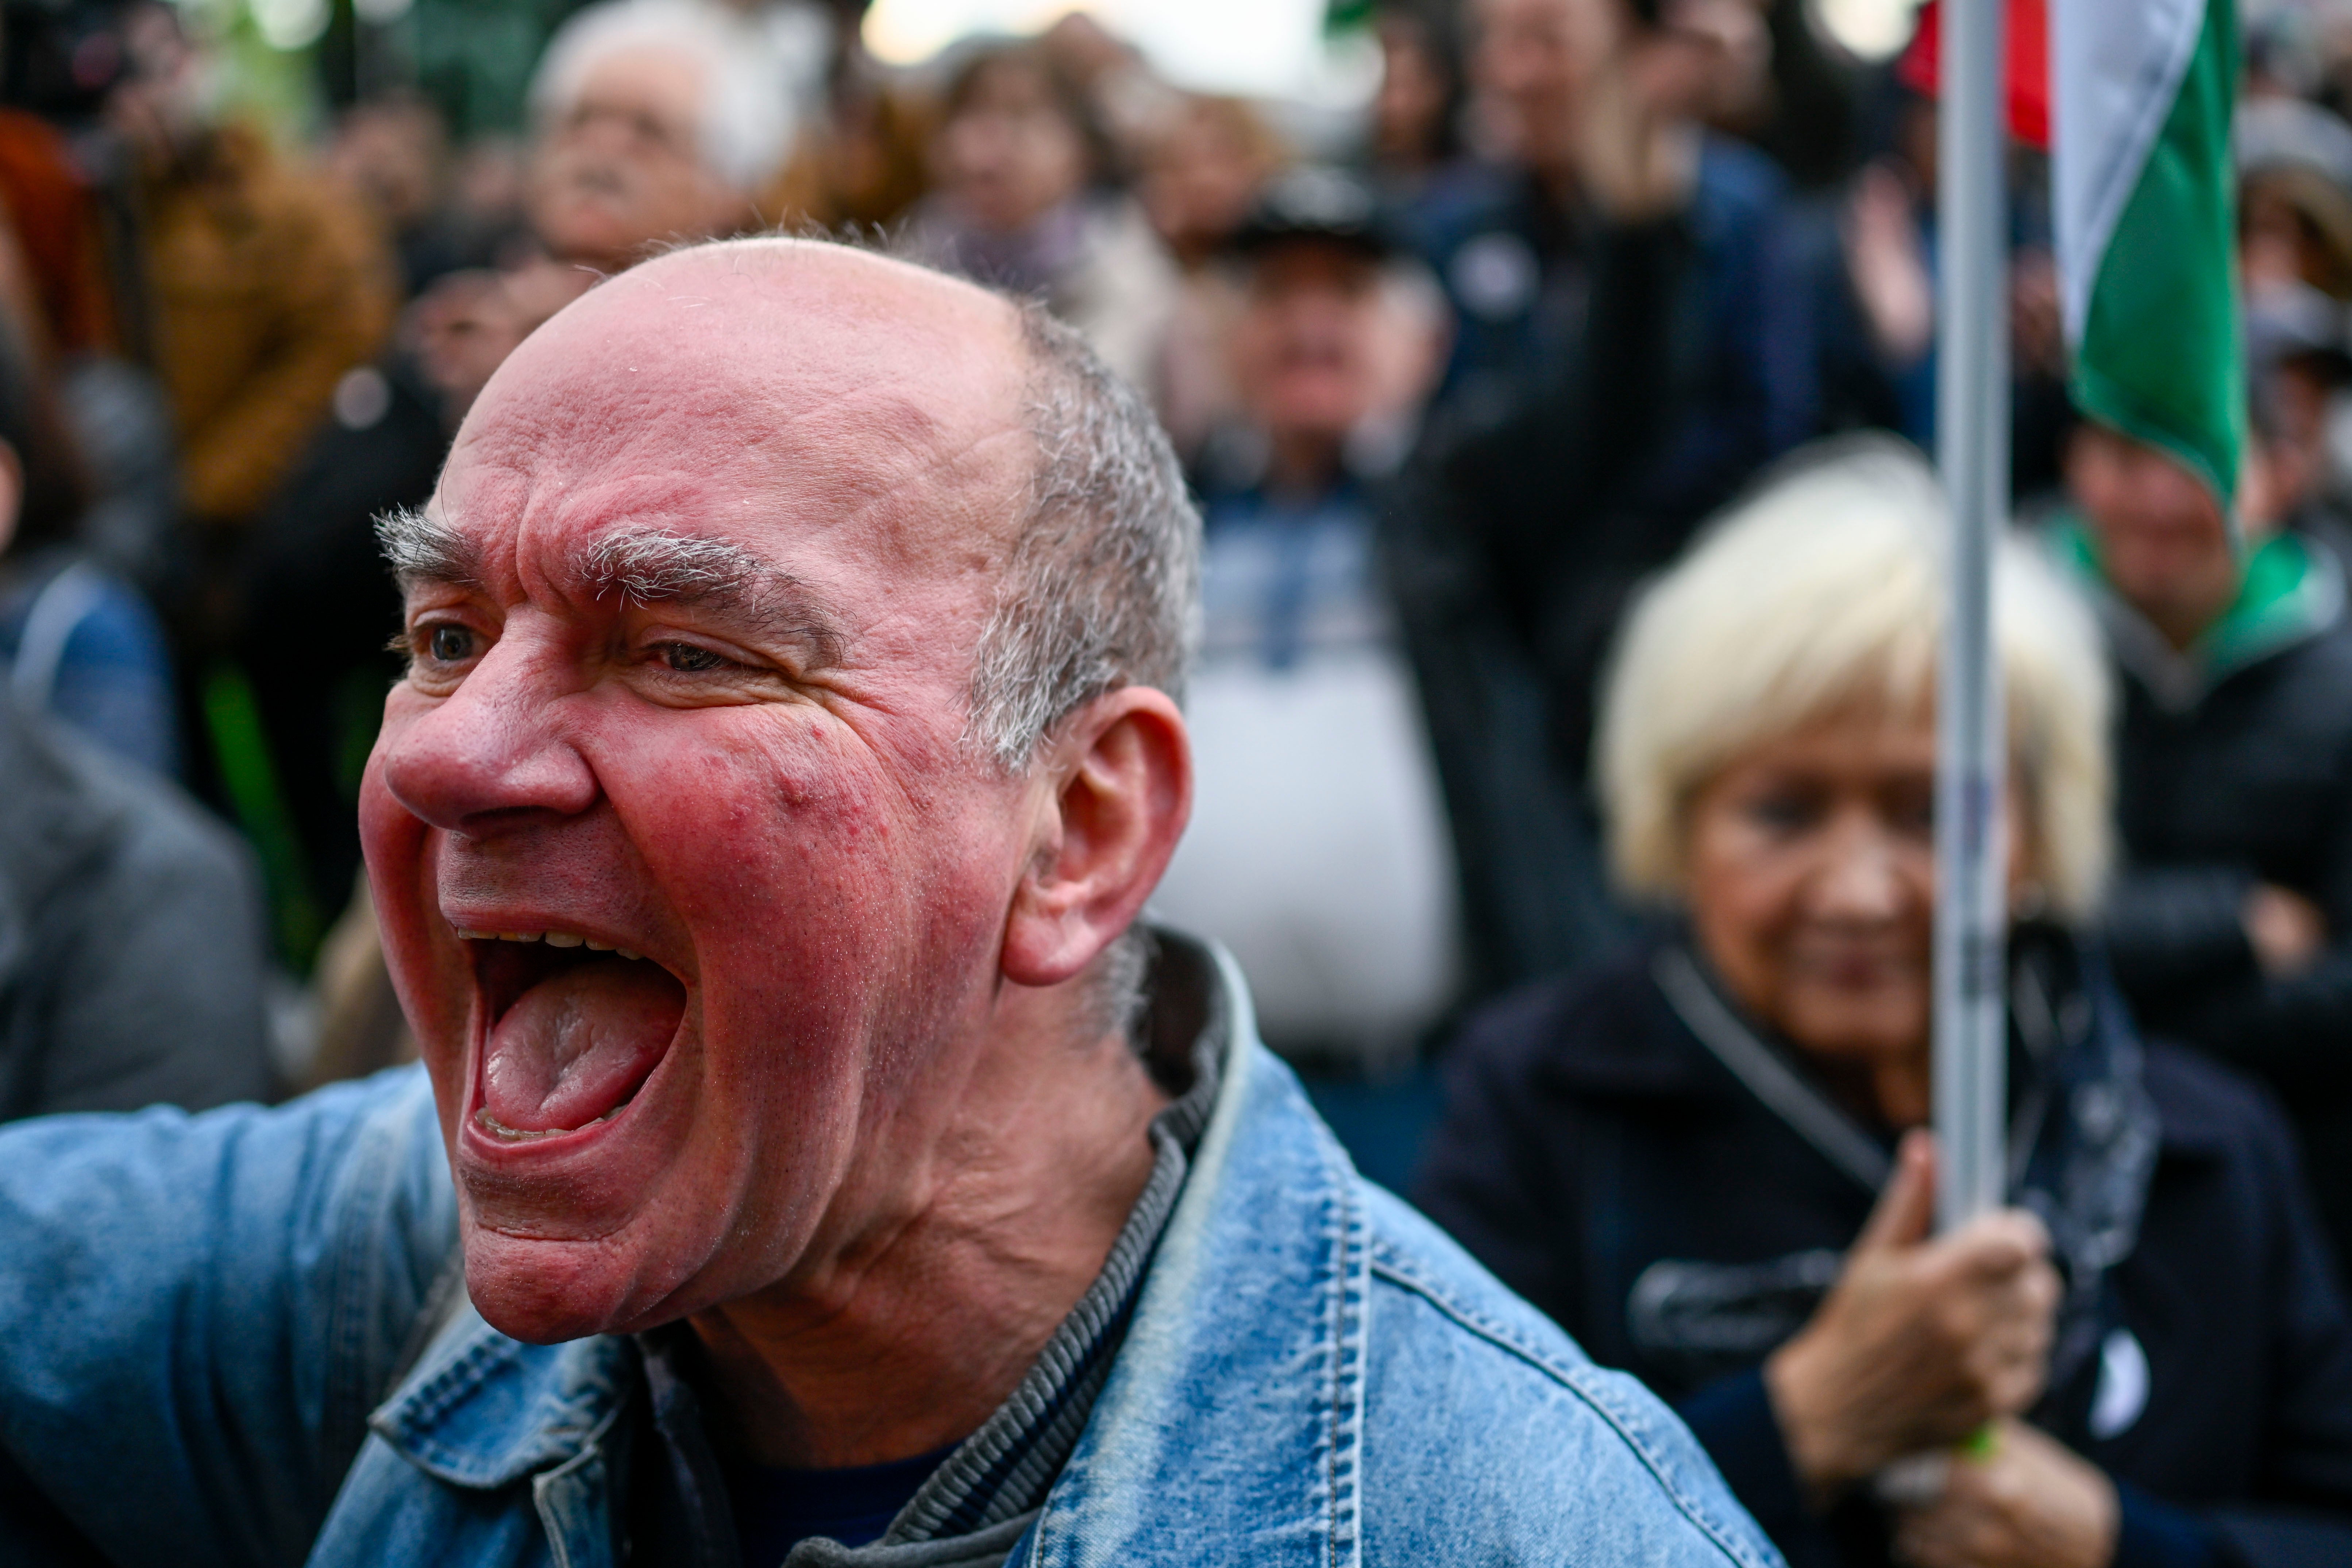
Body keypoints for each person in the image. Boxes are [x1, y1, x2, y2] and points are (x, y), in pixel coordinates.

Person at [0, 237, 1780, 1568]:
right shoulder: (379, 1262)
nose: (458, 753)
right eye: (447, 635)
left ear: (1076, 826)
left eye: (682, 648)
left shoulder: (1517, 1523)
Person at [1418, 440, 2352, 1568]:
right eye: (1783, 811)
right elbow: (1437, 1530)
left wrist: (2121, 1545)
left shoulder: (2204, 1148)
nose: (1859, 891)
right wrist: (1801, 1424)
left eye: (1927, 814)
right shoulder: (1537, 1110)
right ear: (1676, 818)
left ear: (2037, 830)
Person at [1149, 168, 1457, 1082]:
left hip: (1416, 1084)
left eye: (1347, 296)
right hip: (1183, 1091)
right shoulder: (1163, 520)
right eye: (1277, 296)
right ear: (1224, 336)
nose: (1309, 327)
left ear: (1421, 339)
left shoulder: (1473, 518)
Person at [2049, 416, 2352, 1285]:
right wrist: (2229, 919)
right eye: (2122, 457)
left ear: (2278, 474)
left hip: (2302, 1194)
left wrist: (2116, 1016)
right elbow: (1994, 921)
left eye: (2193, 460)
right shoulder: (2003, 648)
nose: (2153, 499)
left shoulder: (2333, 678)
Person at [102, 2, 397, 539]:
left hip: (236, 523)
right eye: (116, 76)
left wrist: (205, 491)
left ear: (198, 61)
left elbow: (340, 350)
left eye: (154, 66)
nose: (140, 98)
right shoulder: (91, 200)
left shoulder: (293, 204)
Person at [906, 44, 1179, 392]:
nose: (990, 139)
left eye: (1022, 115)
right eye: (972, 112)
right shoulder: (915, 245)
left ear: (1083, 152)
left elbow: (1087, 412)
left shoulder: (1127, 278)